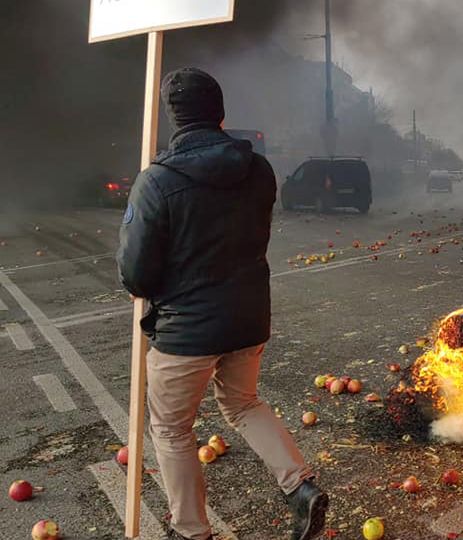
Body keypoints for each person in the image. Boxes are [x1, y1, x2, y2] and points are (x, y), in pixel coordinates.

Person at [117, 68, 328, 540]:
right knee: (244, 403)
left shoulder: (156, 182)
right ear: (221, 114)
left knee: (172, 430)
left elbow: (135, 274)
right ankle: (300, 488)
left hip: (186, 330)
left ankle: (191, 531)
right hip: (248, 317)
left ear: (174, 119)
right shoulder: (259, 170)